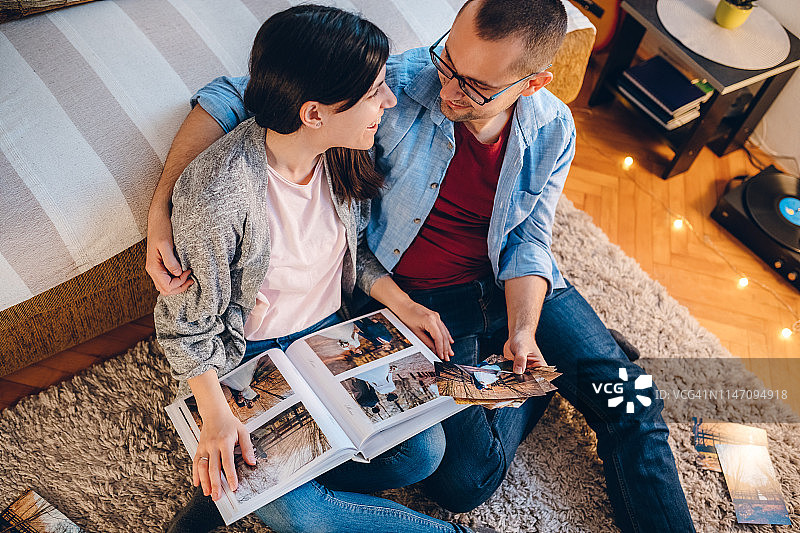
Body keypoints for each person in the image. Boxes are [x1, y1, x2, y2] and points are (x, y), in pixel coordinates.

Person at [148, 1, 696, 531]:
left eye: (474, 85)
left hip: (519, 284)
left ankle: (560, 361)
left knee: (632, 403)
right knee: (464, 481)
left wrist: (525, 327)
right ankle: (547, 384)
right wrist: (163, 206)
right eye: (448, 61)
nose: (448, 87)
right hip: (434, 300)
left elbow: (529, 239)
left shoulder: (554, 127)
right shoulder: (400, 84)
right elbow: (251, 96)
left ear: (533, 83)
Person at [153, 5, 484, 533]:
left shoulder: (339, 151)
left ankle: (255, 490)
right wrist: (216, 415)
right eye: (376, 91)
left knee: (424, 454)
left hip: (332, 338)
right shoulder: (218, 198)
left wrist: (405, 305)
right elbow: (184, 326)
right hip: (257, 358)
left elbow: (352, 253)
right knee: (307, 520)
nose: (391, 101)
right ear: (313, 112)